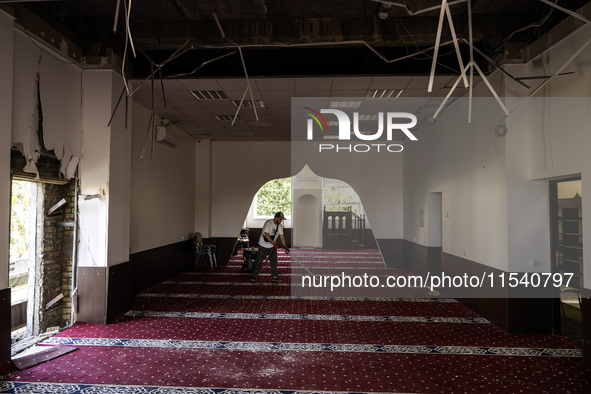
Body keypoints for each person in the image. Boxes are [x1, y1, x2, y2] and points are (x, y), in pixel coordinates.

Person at [250, 212, 289, 282]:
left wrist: (285, 245)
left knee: (274, 261)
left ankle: (274, 276)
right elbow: (266, 235)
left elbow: (282, 236)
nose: (281, 221)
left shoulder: (280, 226)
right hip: (263, 245)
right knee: (259, 261)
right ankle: (254, 275)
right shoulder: (268, 223)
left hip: (272, 247)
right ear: (276, 218)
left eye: (282, 220)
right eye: (280, 219)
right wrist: (274, 243)